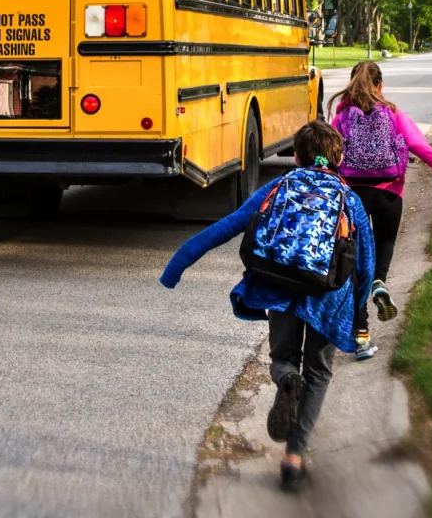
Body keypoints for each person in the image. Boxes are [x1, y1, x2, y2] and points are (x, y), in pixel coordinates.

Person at [159, 120, 375, 491]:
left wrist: (176, 266)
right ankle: (293, 459)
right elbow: (366, 266)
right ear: (338, 156)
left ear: (297, 156)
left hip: (279, 287)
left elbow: (225, 227)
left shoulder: (277, 187)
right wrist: (360, 316)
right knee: (320, 373)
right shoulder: (349, 200)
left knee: (283, 358)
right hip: (327, 298)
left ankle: (287, 379)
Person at [328, 62, 432, 356]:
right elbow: (417, 144)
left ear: (351, 85)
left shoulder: (341, 118)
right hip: (389, 193)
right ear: (380, 87)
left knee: (355, 264)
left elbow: (327, 155)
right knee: (384, 243)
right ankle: (380, 283)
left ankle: (361, 337)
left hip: (354, 196)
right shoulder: (395, 114)